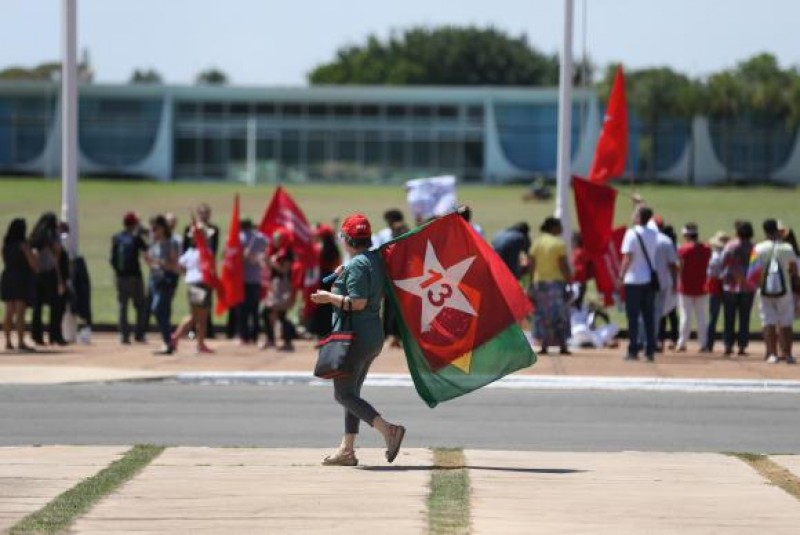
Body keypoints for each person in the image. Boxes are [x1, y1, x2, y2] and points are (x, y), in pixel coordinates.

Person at [310, 213, 406, 466]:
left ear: (347, 239)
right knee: (353, 394)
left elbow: (359, 302)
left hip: (353, 338)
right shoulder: (375, 259)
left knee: (343, 395)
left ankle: (389, 430)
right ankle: (347, 449)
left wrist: (328, 298)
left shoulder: (356, 265)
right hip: (372, 335)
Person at [747, 219, 798, 364]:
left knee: (768, 321)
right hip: (785, 290)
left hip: (764, 290)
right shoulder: (787, 248)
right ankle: (787, 353)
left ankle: (771, 353)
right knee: (786, 322)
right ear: (777, 230)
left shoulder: (758, 248)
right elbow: (794, 270)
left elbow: (752, 273)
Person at [618, 206, 659, 361]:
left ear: (638, 217)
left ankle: (633, 348)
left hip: (633, 280)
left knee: (633, 317)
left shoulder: (631, 233)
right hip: (648, 280)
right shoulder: (653, 233)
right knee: (649, 317)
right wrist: (640, 203)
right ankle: (650, 350)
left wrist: (621, 276)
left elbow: (627, 257)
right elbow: (652, 222)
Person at [529, 217, 571, 355]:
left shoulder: (537, 242)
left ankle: (544, 345)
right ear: (553, 227)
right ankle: (562, 345)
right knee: (560, 314)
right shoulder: (558, 244)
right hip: (556, 284)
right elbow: (563, 264)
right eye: (559, 226)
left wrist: (531, 282)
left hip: (540, 283)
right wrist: (569, 281)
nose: (561, 229)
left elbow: (531, 263)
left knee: (542, 315)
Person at [171, 231, 215, 354]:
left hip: (191, 284)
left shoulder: (189, 253)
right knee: (201, 316)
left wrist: (187, 275)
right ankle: (195, 342)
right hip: (202, 284)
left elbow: (179, 265)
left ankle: (179, 337)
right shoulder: (206, 252)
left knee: (195, 315)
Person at [110, 212, 148, 344]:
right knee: (141, 306)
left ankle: (124, 335)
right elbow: (147, 249)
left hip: (121, 277)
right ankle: (139, 334)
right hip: (135, 276)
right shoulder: (136, 237)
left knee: (123, 306)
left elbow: (113, 259)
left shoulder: (116, 237)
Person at [29, 212, 67, 346]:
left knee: (38, 307)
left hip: (37, 274)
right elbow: (56, 257)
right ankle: (55, 335)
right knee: (55, 306)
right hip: (50, 273)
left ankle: (36, 334)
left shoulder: (35, 237)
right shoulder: (51, 236)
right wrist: (60, 280)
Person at [182, 203, 220, 338]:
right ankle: (182, 334)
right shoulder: (191, 250)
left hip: (205, 274)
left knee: (205, 308)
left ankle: (203, 335)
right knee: (196, 310)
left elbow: (214, 250)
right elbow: (184, 252)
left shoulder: (214, 230)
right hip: (196, 277)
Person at [720, 221, 756, 357]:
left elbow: (723, 262)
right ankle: (742, 345)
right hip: (748, 286)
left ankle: (728, 345)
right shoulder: (753, 248)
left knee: (729, 316)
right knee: (744, 317)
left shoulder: (730, 246)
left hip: (731, 285)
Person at [2, 219, 38, 351]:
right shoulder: (23, 245)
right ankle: (21, 341)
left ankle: (8, 341)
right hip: (21, 278)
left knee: (9, 312)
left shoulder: (6, 245)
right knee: (20, 312)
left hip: (8, 276)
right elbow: (33, 264)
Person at [146, 215, 180, 355]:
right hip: (155, 278)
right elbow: (150, 262)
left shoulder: (170, 243)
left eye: (156, 228)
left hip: (166, 279)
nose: (153, 232)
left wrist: (158, 262)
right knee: (161, 311)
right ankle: (168, 342)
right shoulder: (154, 242)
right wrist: (149, 261)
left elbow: (173, 264)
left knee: (158, 308)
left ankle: (169, 340)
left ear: (163, 228)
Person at [676, 223, 711, 352]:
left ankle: (682, 343)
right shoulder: (706, 248)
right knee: (701, 316)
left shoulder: (684, 249)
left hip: (686, 287)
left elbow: (680, 268)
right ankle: (703, 343)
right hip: (702, 286)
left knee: (686, 316)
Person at [261, 229, 296, 351]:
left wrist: (270, 262)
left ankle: (286, 341)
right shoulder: (274, 251)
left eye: (277, 239)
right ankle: (272, 339)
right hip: (274, 285)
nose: (275, 241)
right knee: (268, 313)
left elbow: (284, 270)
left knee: (279, 314)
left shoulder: (287, 253)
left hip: (283, 285)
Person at [650, 217, 679, 353]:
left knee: (653, 314)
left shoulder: (647, 238)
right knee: (665, 313)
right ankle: (667, 339)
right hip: (664, 282)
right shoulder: (667, 241)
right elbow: (673, 266)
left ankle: (657, 340)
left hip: (647, 281)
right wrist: (675, 282)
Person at [239, 219, 268, 344]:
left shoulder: (240, 237)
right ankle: (254, 335)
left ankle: (244, 336)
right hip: (256, 278)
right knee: (254, 309)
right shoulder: (261, 238)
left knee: (243, 310)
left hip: (243, 279)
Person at [702, 231, 731, 353]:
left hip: (716, 286)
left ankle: (709, 344)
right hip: (726, 285)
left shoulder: (714, 256)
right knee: (727, 317)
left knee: (713, 316)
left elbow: (710, 272)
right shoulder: (728, 254)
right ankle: (727, 344)